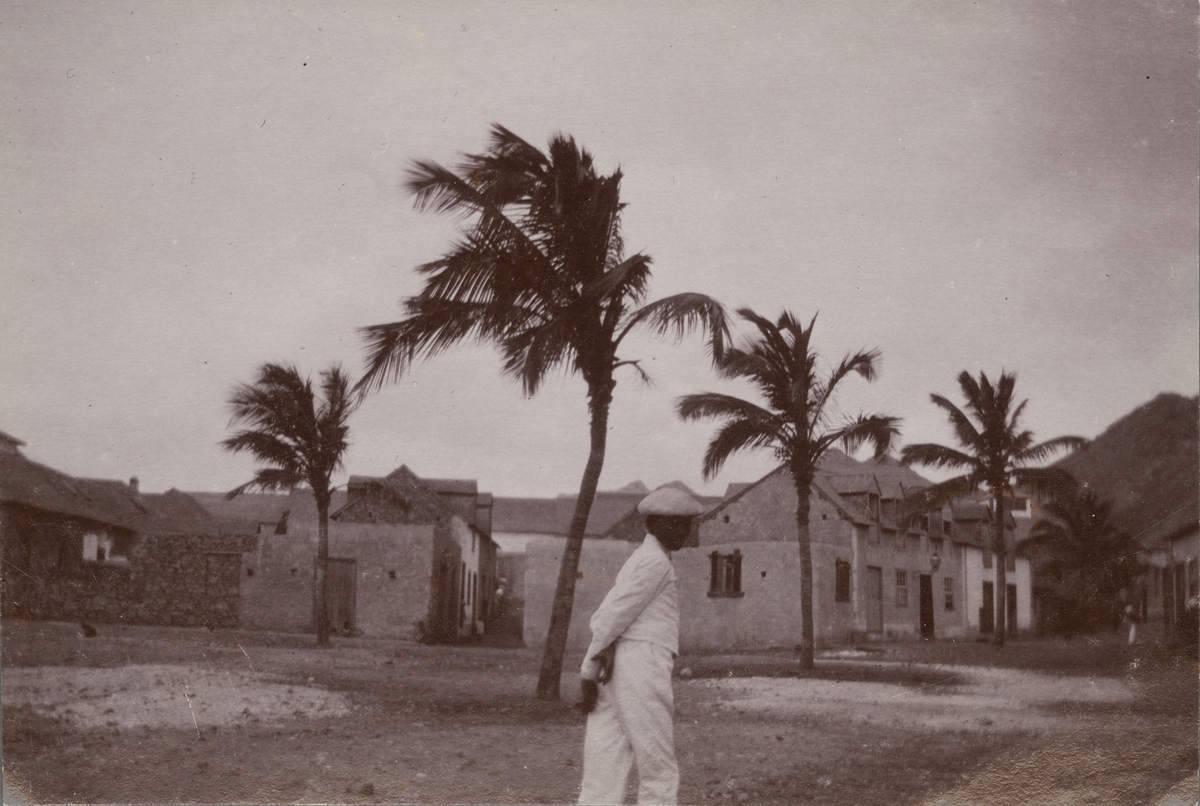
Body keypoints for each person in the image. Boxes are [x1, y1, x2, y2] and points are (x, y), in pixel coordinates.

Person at [577, 487, 704, 806]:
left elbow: (606, 616)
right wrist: (588, 671)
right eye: (676, 524)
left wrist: (596, 665)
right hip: (641, 666)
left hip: (616, 665)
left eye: (687, 524)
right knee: (658, 768)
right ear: (654, 523)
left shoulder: (642, 558)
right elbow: (611, 617)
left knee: (605, 764)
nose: (684, 531)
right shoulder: (656, 563)